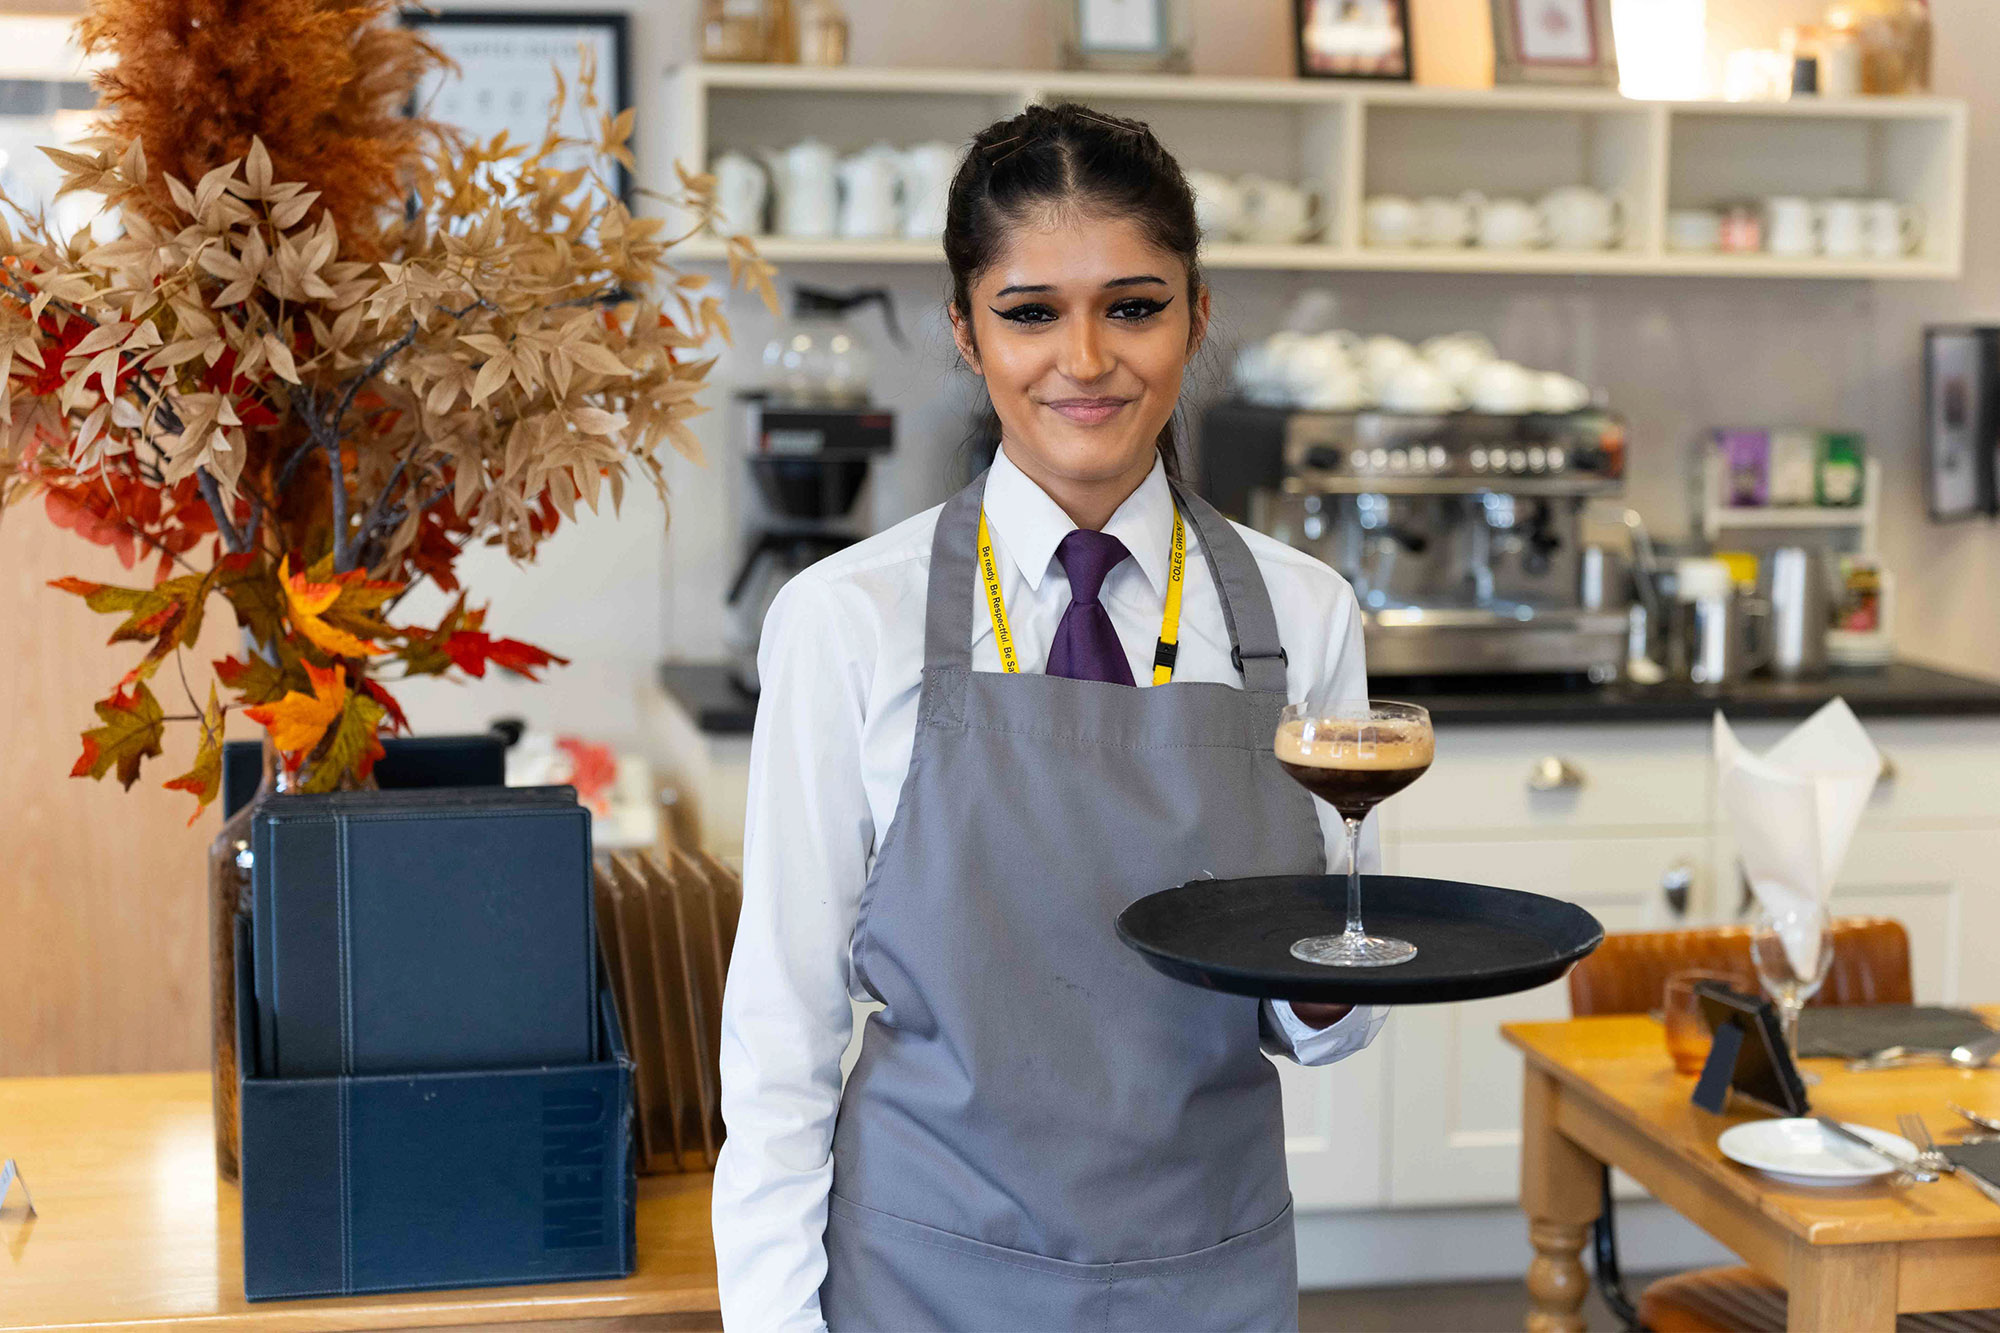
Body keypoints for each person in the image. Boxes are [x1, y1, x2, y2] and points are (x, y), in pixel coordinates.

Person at [713, 101, 1387, 1332]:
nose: (1083, 360)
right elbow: (781, 1025)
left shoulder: (1306, 616)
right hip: (922, 1272)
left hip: (1207, 1268)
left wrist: (1337, 980)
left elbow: (1321, 1023)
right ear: (964, 331)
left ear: (1196, 316)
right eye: (1029, 312)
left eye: (1132, 306)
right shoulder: (844, 620)